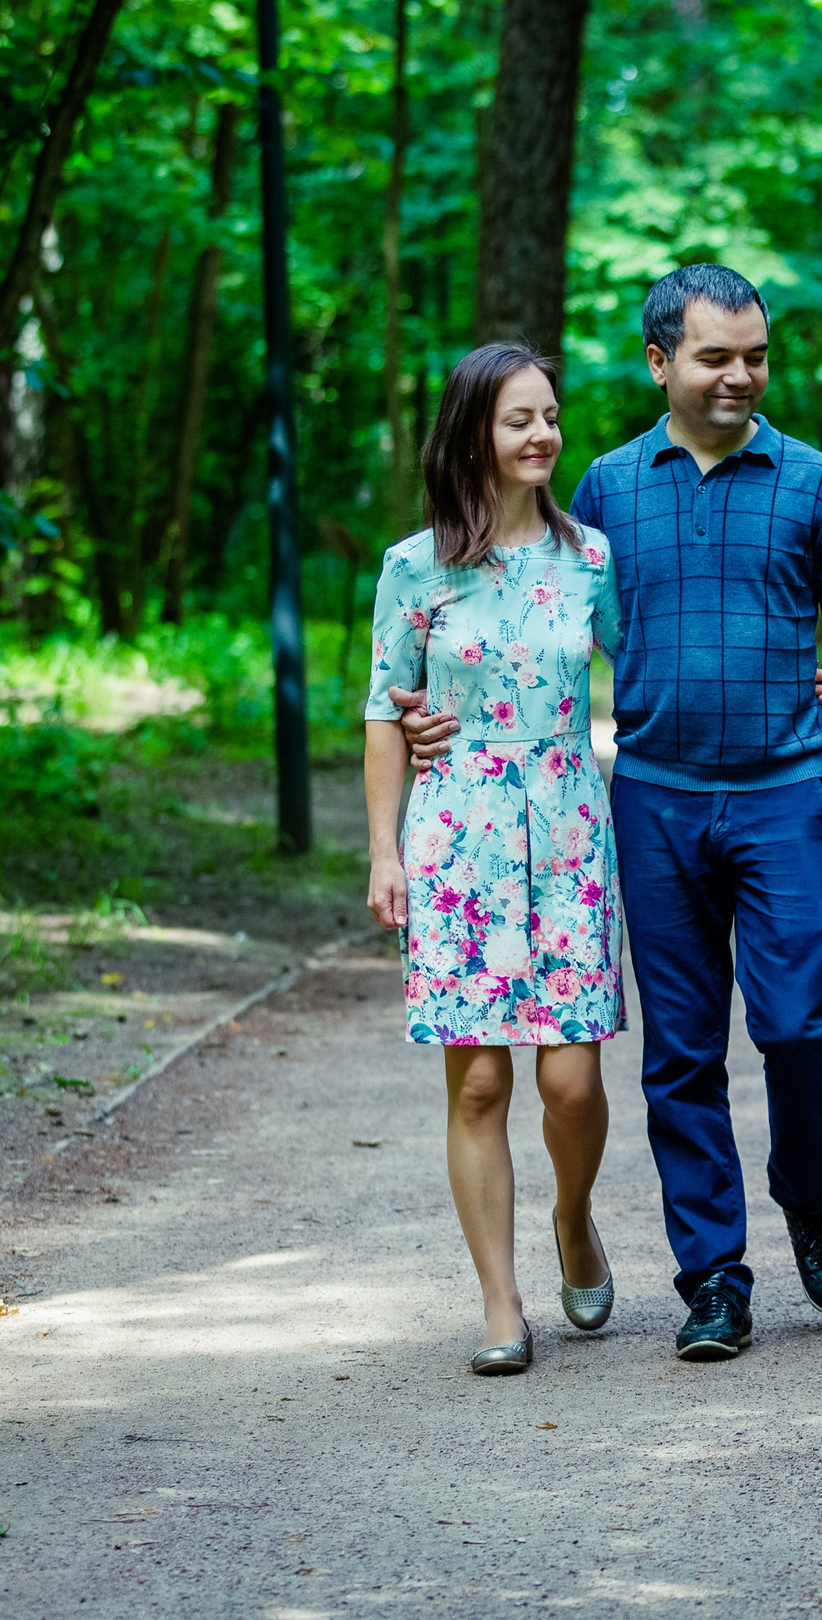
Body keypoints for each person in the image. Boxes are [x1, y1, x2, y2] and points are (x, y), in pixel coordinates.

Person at [400, 263, 822, 1364]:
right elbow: (532, 620)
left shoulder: (817, 482)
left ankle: (808, 1189)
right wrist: (434, 717)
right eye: (715, 357)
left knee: (798, 1024)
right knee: (679, 1051)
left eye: (754, 356)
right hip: (654, 801)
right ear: (661, 361)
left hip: (783, 794)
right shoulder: (606, 490)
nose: (739, 376)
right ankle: (712, 1277)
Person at [362, 342, 621, 1377]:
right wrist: (383, 850)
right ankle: (501, 1304)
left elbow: (657, 668)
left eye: (550, 416)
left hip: (566, 831)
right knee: (476, 1084)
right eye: (520, 419)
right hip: (456, 837)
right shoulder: (413, 567)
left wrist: (798, 686)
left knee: (571, 1080)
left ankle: (573, 1214)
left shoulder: (590, 558)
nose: (543, 434)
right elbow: (384, 710)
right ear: (473, 432)